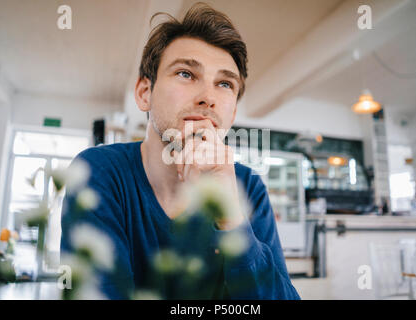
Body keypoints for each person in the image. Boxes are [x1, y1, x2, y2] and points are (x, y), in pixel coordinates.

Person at [61, 3, 300, 300]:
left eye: (225, 83)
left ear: (233, 112)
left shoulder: (249, 188)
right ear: (144, 93)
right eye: (186, 74)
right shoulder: (99, 171)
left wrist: (231, 219)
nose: (208, 98)